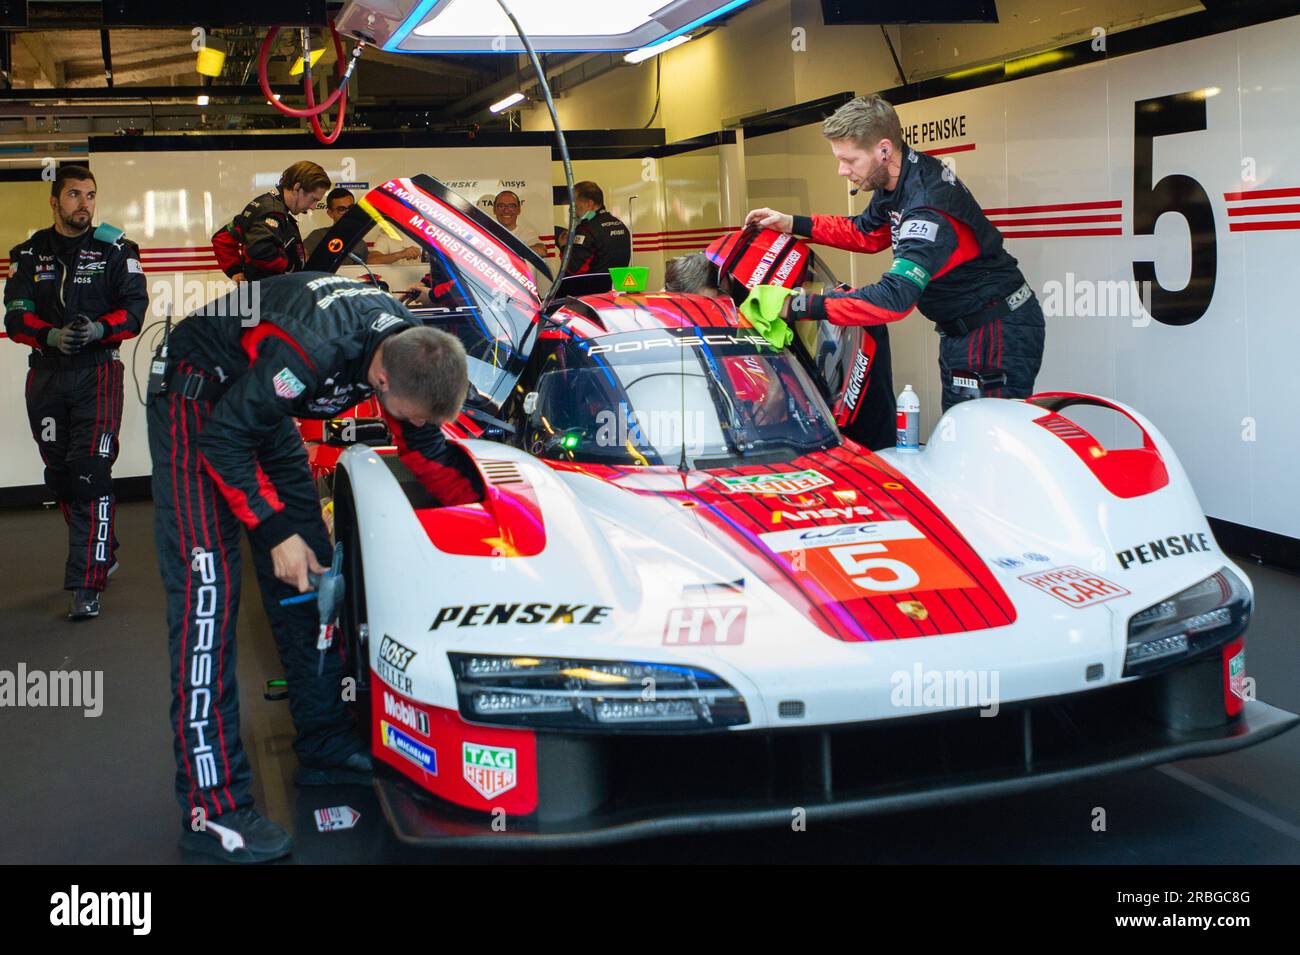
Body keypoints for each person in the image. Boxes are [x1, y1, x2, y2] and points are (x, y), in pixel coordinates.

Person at [149, 272, 482, 863]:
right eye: (408, 411)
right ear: (381, 379)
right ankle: (211, 814)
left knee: (313, 581)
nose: (415, 423)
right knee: (209, 597)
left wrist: (485, 528)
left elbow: (425, 445)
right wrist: (273, 530)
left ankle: (324, 739)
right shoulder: (315, 348)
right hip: (198, 399)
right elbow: (225, 439)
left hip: (259, 406)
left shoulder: (411, 350)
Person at [745, 94, 1045, 412]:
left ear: (884, 150)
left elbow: (895, 298)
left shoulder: (927, 203)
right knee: (962, 432)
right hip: (965, 329)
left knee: (983, 445)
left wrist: (800, 305)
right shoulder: (898, 181)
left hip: (994, 330)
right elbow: (866, 233)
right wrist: (791, 223)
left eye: (850, 160)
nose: (841, 171)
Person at [3, 164, 147, 619]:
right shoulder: (27, 254)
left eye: (90, 195)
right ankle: (103, 546)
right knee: (61, 476)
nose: (84, 203)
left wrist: (101, 328)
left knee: (90, 472)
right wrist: (50, 337)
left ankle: (88, 582)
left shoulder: (118, 249)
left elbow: (135, 310)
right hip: (45, 377)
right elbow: (16, 316)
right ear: (54, 201)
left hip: (98, 374)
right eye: (73, 195)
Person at [664, 251, 895, 450]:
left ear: (722, 283)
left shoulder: (756, 287)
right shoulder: (679, 306)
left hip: (855, 327)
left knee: (872, 438)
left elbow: (780, 342)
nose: (705, 312)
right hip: (822, 332)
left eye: (708, 302)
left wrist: (775, 386)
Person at [212, 160, 330, 282]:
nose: (313, 206)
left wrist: (235, 271)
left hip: (261, 290)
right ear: (297, 188)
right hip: (269, 291)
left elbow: (222, 238)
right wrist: (291, 267)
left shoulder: (265, 203)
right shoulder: (273, 212)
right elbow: (260, 250)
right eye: (313, 199)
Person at [303, 187, 421, 265]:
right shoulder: (317, 236)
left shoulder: (359, 242)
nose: (347, 213)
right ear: (330, 213)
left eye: (351, 208)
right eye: (341, 209)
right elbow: (302, 259)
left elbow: (369, 265)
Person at [559, 181, 631, 281]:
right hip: (617, 287)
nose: (571, 209)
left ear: (589, 204)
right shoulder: (619, 224)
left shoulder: (586, 229)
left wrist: (563, 247)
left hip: (593, 291)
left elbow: (574, 269)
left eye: (575, 205)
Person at [490, 189, 547, 259]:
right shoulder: (485, 233)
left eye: (511, 206)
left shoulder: (527, 233)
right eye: (501, 206)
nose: (506, 210)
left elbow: (541, 251)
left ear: (518, 210)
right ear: (494, 210)